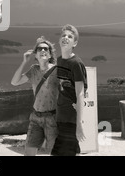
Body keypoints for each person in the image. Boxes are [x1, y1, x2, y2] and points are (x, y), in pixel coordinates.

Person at [11, 36, 59, 156]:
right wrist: (24, 62)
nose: (43, 50)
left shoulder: (57, 71)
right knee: (29, 153)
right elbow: (14, 82)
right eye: (39, 49)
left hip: (52, 118)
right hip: (35, 118)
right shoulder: (33, 70)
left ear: (50, 55)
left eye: (46, 49)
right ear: (36, 55)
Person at [51, 24, 88, 156]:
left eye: (70, 36)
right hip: (60, 117)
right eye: (63, 35)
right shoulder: (59, 60)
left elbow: (80, 93)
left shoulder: (76, 63)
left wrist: (79, 124)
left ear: (75, 43)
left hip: (71, 119)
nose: (65, 38)